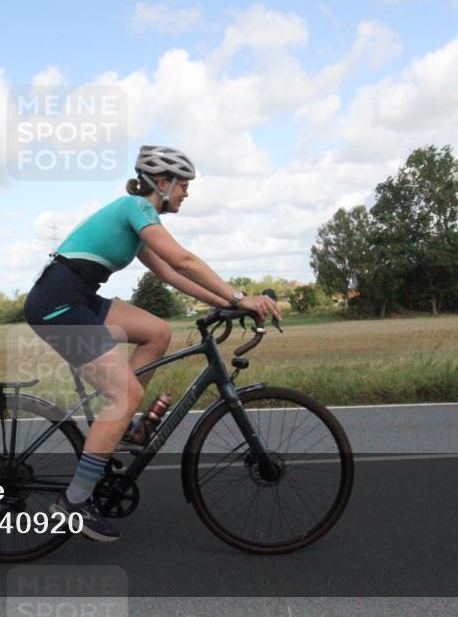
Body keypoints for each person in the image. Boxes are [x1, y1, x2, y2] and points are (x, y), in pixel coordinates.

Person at [23, 145, 281, 542]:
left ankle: (123, 423)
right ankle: (74, 502)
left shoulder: (136, 222)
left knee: (157, 332)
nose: (186, 194)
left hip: (79, 297)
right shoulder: (135, 208)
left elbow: (173, 276)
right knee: (123, 396)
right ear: (161, 183)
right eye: (184, 186)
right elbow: (183, 260)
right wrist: (238, 298)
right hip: (58, 303)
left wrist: (229, 304)